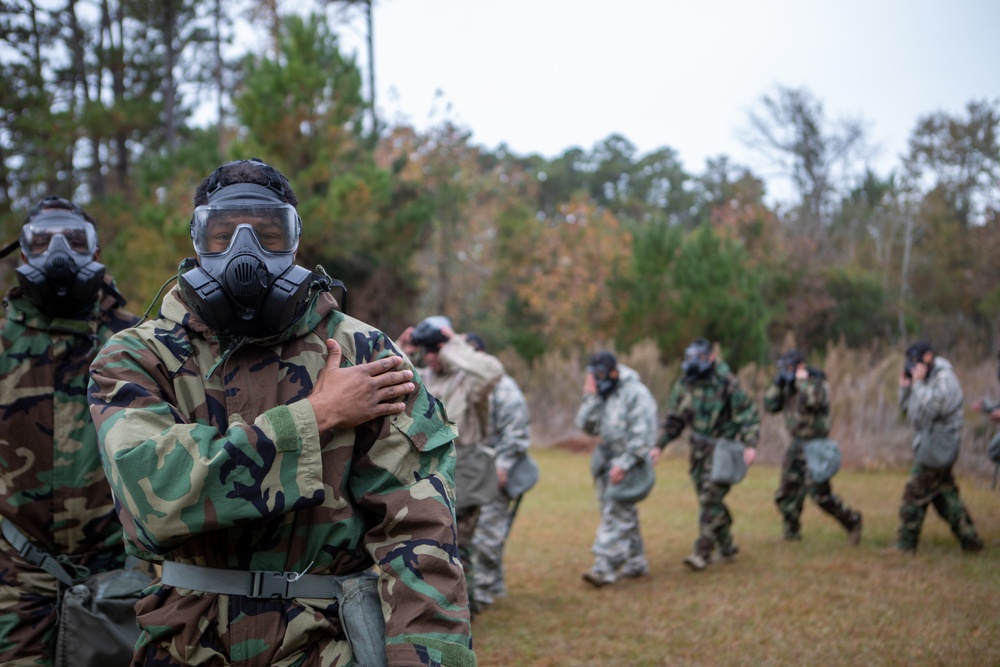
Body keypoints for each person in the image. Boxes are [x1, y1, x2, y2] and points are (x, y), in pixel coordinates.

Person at [87, 158, 476, 666]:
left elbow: (420, 533)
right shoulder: (136, 357)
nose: (243, 253)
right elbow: (153, 499)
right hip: (184, 646)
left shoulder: (363, 352)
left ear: (294, 241)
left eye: (268, 235)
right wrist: (317, 415)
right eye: (222, 235)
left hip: (326, 647)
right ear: (197, 240)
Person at [0, 197, 139, 665]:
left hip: (119, 582)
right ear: (22, 256)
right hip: (13, 582)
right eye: (41, 242)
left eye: (75, 241)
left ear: (96, 254)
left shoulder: (137, 343)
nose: (59, 252)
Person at [398, 318, 504, 615]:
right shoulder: (424, 376)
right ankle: (442, 603)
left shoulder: (467, 377)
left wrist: (453, 343)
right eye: (426, 349)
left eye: (435, 348)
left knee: (459, 543)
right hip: (429, 467)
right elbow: (386, 372)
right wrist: (401, 348)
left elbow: (493, 371)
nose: (431, 355)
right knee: (433, 539)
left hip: (467, 466)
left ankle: (463, 607)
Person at [651, 338, 759, 572]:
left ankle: (702, 552)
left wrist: (750, 444)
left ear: (710, 357)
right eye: (690, 358)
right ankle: (727, 545)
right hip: (698, 450)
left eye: (698, 358)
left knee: (709, 499)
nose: (693, 363)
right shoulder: (684, 384)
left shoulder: (727, 383)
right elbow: (674, 419)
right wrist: (659, 445)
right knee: (708, 499)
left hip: (723, 449)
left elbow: (748, 414)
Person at [763, 348, 863, 544]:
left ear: (800, 366)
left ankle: (852, 520)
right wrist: (778, 384)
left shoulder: (817, 383)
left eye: (789, 368)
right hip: (797, 444)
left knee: (820, 495)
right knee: (786, 492)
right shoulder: (788, 386)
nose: (786, 372)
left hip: (816, 445)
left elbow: (815, 401)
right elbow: (769, 405)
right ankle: (791, 533)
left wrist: (801, 381)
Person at [576, 351, 657, 588]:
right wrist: (590, 397)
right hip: (605, 460)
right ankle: (636, 562)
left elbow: (644, 435)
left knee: (615, 512)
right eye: (594, 375)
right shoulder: (601, 393)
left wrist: (625, 463)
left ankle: (604, 568)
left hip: (630, 461)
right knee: (620, 512)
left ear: (614, 371)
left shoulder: (636, 393)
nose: (599, 379)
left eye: (602, 374)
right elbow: (586, 426)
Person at [465, 333, 532, 611]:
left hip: (495, 471)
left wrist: (502, 466)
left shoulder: (505, 390)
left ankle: (481, 593)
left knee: (488, 534)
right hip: (470, 471)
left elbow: (516, 436)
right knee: (473, 532)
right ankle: (493, 584)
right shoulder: (464, 384)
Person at [896, 341, 983, 554]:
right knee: (944, 495)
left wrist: (917, 384)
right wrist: (905, 388)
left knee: (914, 494)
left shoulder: (945, 379)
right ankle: (970, 540)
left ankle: (905, 545)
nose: (913, 366)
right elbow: (909, 412)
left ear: (928, 357)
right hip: (929, 444)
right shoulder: (924, 380)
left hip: (940, 444)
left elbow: (932, 408)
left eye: (916, 361)